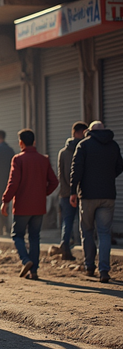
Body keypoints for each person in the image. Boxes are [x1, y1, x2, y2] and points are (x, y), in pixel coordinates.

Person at [1, 129, 58, 280]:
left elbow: (13, 183)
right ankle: (34, 271)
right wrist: (43, 193)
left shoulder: (18, 159)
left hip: (22, 207)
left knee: (17, 235)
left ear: (21, 143)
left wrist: (5, 201)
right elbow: (54, 181)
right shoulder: (44, 159)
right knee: (34, 237)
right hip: (38, 207)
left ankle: (26, 260)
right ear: (34, 142)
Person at [70, 121, 123, 283]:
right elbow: (120, 166)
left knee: (87, 231)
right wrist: (107, 178)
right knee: (104, 233)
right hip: (108, 195)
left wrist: (73, 191)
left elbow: (76, 168)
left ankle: (89, 266)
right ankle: (104, 270)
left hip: (87, 195)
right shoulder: (113, 145)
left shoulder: (83, 145)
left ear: (89, 131)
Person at [56, 121, 87, 260]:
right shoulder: (79, 149)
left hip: (65, 192)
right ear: (76, 133)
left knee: (67, 221)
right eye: (83, 132)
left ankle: (65, 245)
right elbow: (70, 174)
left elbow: (60, 174)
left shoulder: (63, 152)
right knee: (82, 222)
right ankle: (70, 247)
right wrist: (74, 189)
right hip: (75, 192)